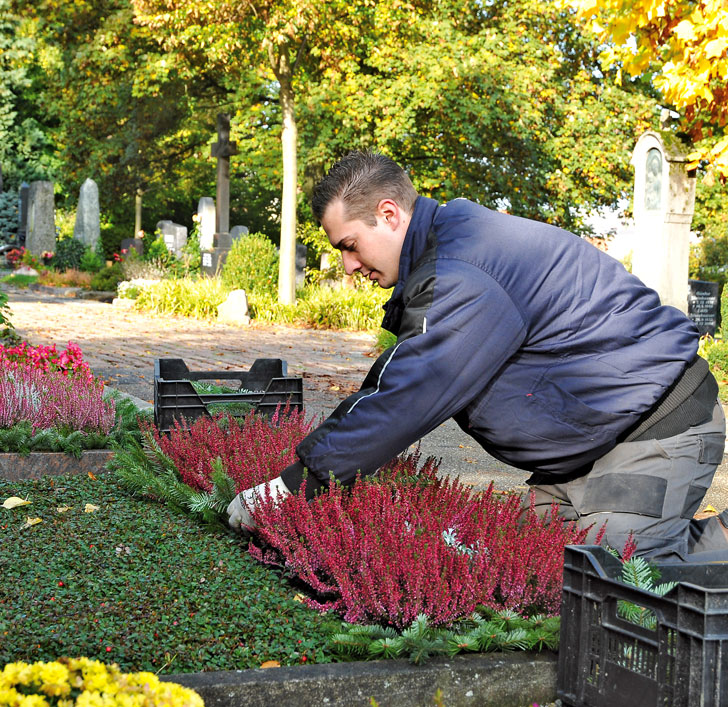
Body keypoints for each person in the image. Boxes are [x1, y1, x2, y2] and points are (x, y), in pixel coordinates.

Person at [227, 150, 727, 562]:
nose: (348, 265)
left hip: (656, 424)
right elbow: (397, 376)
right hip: (589, 447)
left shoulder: (465, 271)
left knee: (620, 579)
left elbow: (407, 398)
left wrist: (293, 487)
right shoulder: (447, 255)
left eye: (351, 245)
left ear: (389, 214)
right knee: (529, 565)